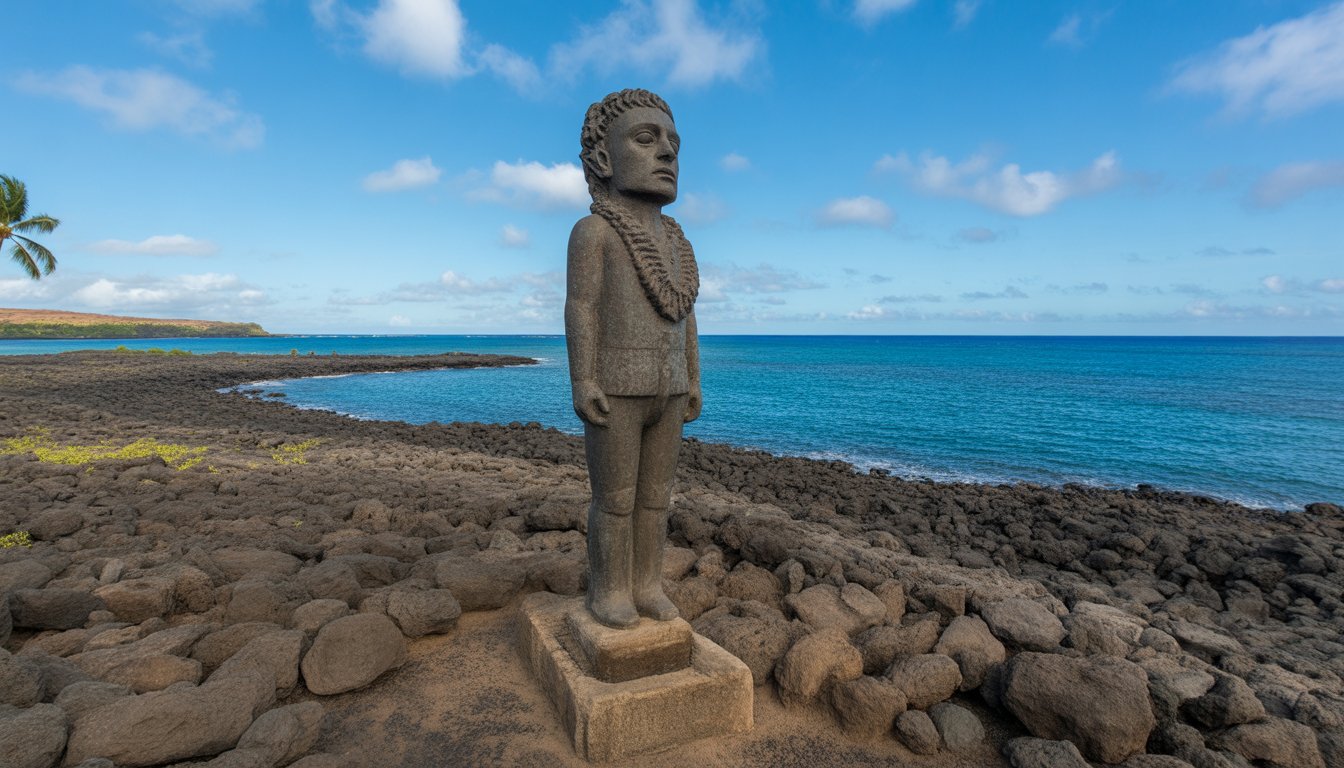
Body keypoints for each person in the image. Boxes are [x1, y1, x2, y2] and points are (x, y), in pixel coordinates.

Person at [565, 89, 701, 629]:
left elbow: (685, 312)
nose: (667, 152)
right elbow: (581, 307)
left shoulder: (675, 241)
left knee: (656, 500)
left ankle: (647, 584)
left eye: (673, 142)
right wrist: (583, 378)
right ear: (602, 159)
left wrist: (693, 376)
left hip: (669, 387)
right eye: (646, 139)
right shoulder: (594, 231)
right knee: (616, 500)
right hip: (617, 387)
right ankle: (609, 590)